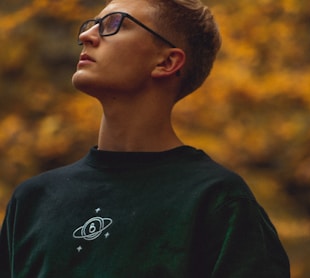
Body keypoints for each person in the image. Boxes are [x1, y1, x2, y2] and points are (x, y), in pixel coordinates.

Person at [0, 0, 290, 277]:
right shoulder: (32, 201)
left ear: (167, 62)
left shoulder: (219, 202)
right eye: (92, 23)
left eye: (114, 23)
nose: (86, 35)